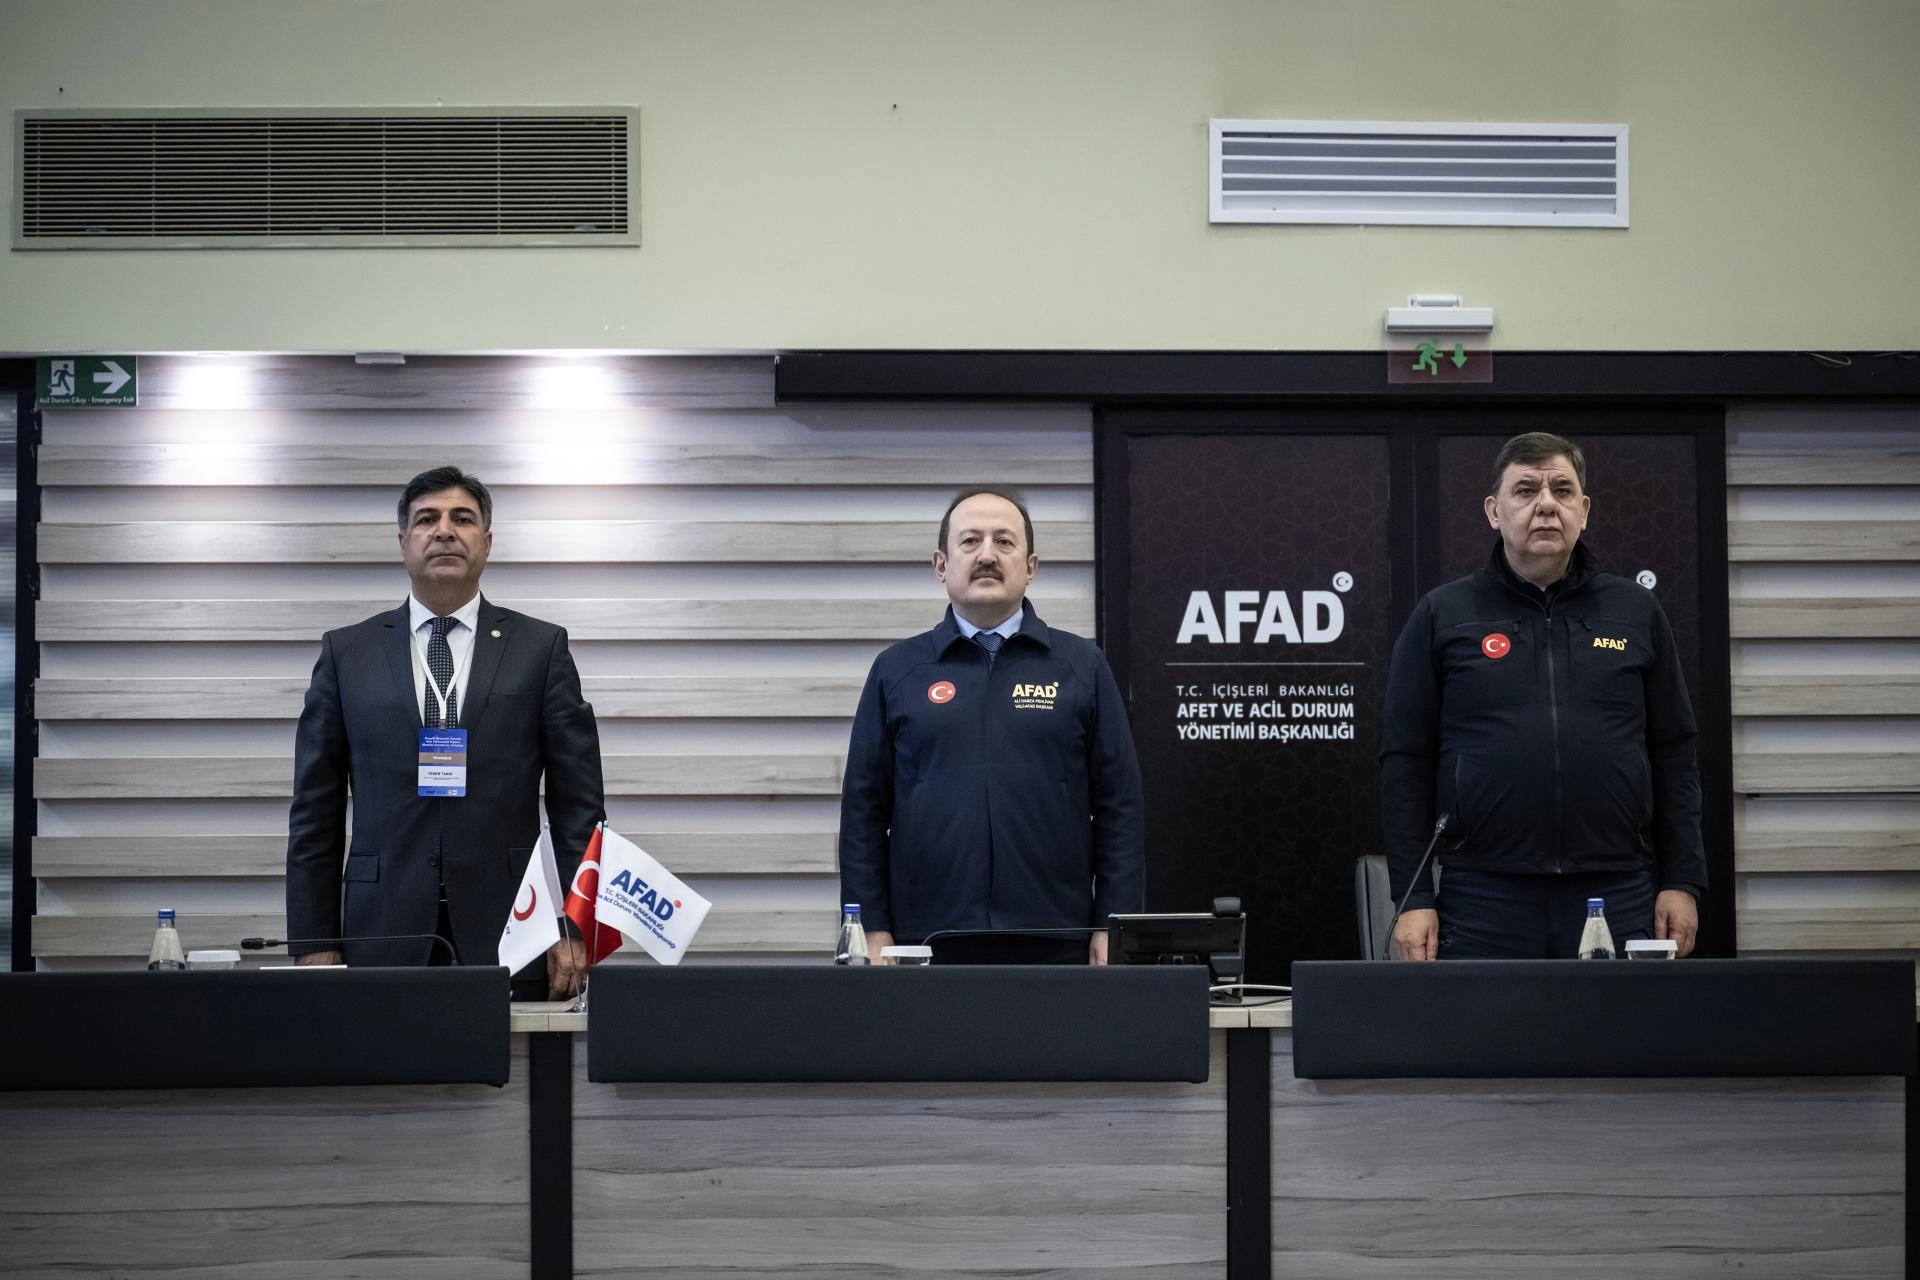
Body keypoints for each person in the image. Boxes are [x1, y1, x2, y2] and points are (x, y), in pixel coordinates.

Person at [1381, 432, 1705, 961]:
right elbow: (1405, 761)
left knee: (1618, 1020)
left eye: (1562, 489)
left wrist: (1682, 880)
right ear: (1494, 511)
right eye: (1526, 490)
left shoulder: (1635, 611)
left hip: (1619, 889)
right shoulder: (1444, 614)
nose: (1547, 504)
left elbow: (1675, 753)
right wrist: (1413, 897)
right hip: (1482, 895)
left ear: (1584, 510)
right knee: (1484, 1022)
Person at [285, 466, 605, 998]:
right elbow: (314, 810)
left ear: (487, 542)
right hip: (379, 926)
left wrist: (574, 924)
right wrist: (315, 938)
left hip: (515, 925)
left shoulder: (540, 649)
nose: (444, 531)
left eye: (462, 518)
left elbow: (579, 807)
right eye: (426, 519)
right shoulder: (348, 653)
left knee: (511, 1055)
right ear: (403, 543)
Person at [838, 486, 1145, 964]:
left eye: (1004, 541)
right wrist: (870, 929)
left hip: (1058, 940)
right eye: (970, 541)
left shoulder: (1081, 666)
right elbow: (863, 814)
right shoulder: (897, 671)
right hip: (922, 943)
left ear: (1031, 567)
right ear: (941, 565)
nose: (987, 555)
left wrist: (1114, 924)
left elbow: (1120, 809)